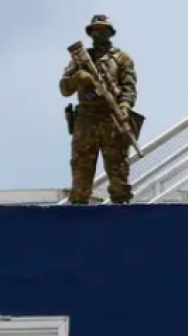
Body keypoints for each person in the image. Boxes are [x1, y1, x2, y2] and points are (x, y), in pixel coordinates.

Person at [59, 14, 138, 204]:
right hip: (86, 120)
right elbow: (64, 88)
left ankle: (123, 215)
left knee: (118, 174)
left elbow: (129, 89)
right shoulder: (80, 59)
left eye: (103, 30)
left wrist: (125, 107)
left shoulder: (122, 59)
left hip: (112, 118)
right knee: (81, 173)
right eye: (96, 30)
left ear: (110, 33)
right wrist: (78, 77)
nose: (99, 33)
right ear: (90, 33)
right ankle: (78, 215)